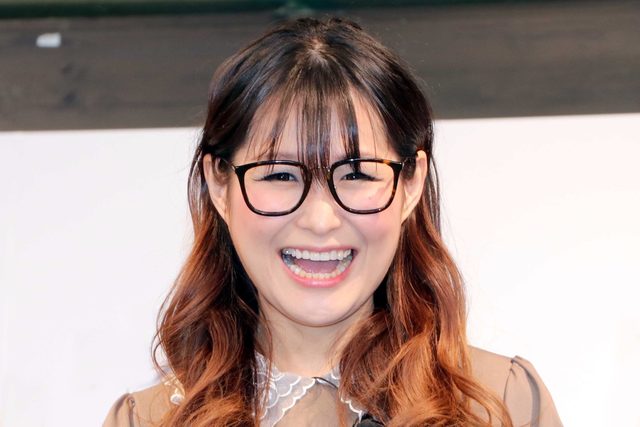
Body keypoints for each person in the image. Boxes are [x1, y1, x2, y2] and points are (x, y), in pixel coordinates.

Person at [104, 17, 562, 427]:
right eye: (280, 175)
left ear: (411, 184)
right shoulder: (149, 420)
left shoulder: (498, 404)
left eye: (357, 174)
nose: (320, 220)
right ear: (219, 185)